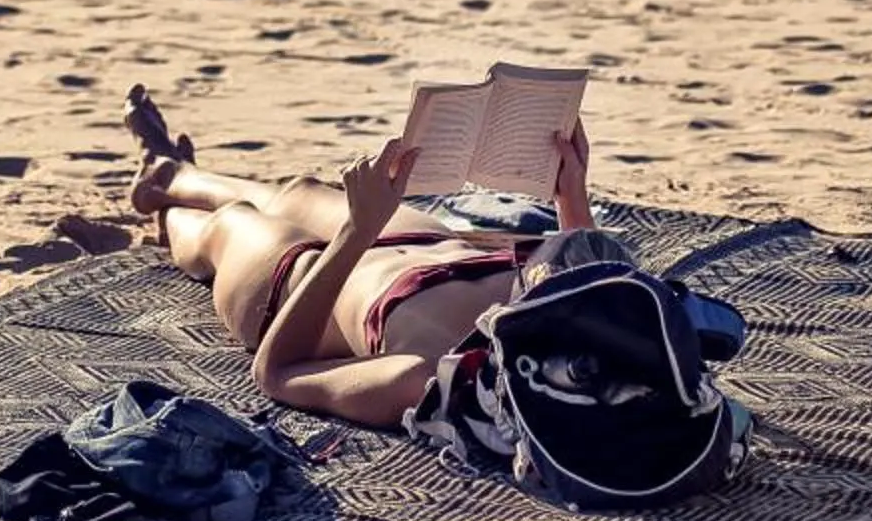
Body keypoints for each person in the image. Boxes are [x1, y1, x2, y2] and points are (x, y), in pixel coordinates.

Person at [126, 105, 599, 429]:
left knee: (230, 225)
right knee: (301, 191)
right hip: (427, 244)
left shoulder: (434, 377)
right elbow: (588, 272)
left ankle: (169, 212)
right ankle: (171, 174)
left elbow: (277, 374)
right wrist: (569, 193)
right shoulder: (599, 313)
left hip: (305, 284)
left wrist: (359, 230)